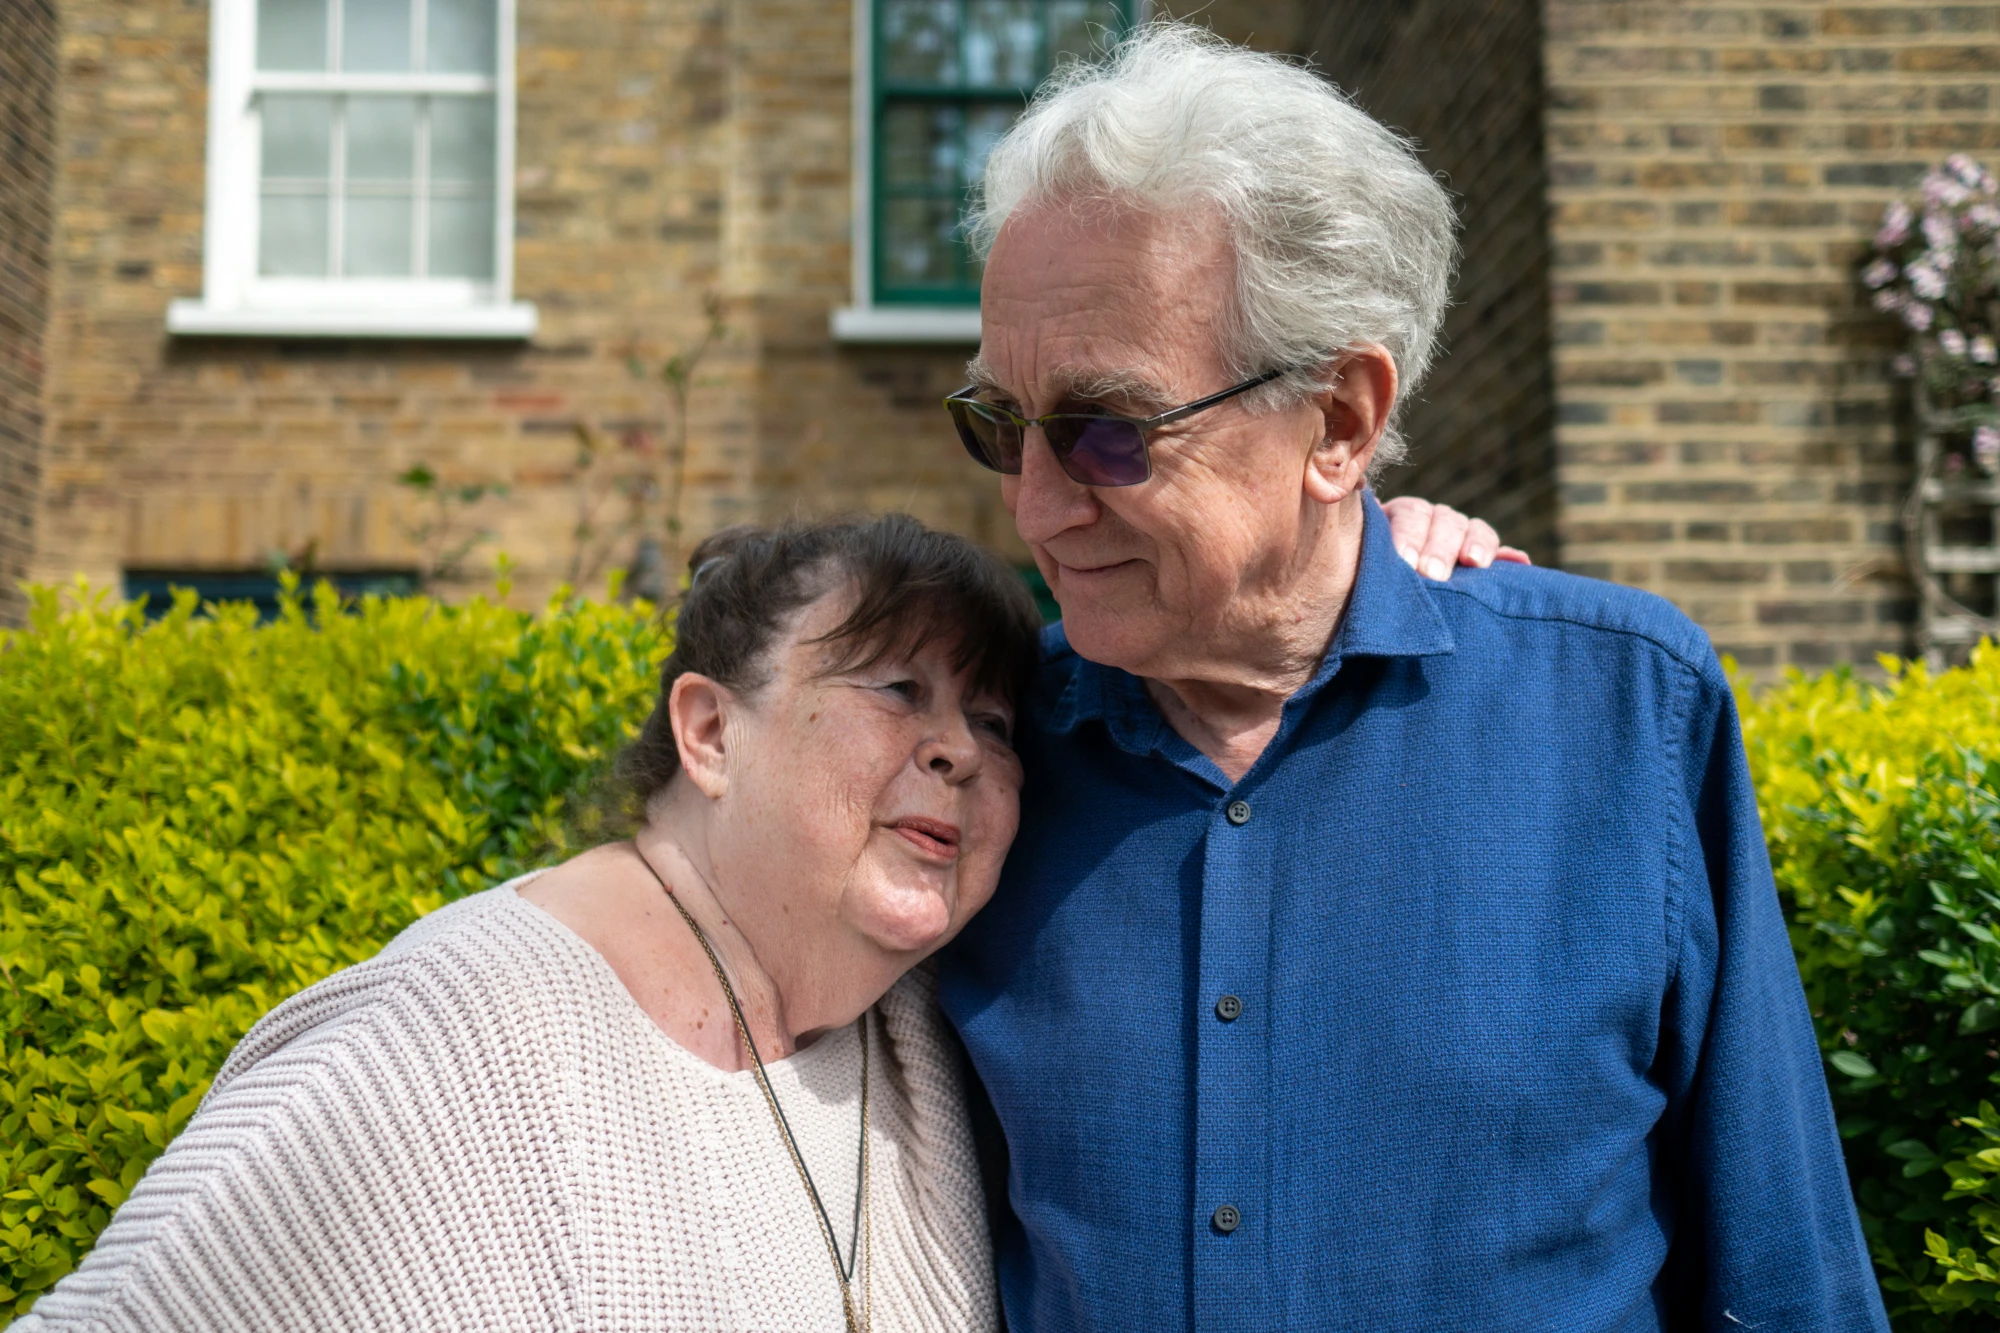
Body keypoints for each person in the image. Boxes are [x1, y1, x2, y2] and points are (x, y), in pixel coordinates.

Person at [935, 24, 1890, 1332]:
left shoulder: (1623, 710)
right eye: (1000, 424)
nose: (1036, 507)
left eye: (1109, 431)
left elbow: (1785, 1269)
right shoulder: (970, 755)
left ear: (1339, 421)